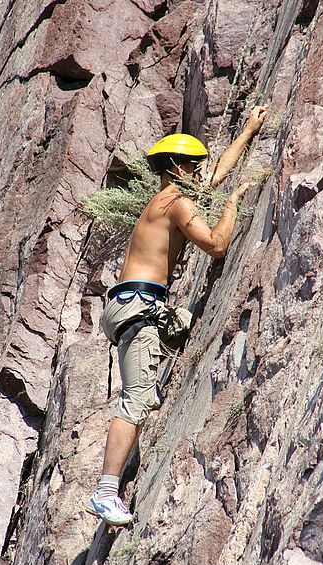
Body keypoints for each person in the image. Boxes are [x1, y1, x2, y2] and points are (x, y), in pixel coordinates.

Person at [86, 106, 268, 525]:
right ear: (176, 168)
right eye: (192, 165)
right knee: (134, 402)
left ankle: (114, 478)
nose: (198, 171)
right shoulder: (178, 205)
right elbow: (218, 245)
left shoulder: (166, 197)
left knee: (181, 327)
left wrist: (248, 131)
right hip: (138, 309)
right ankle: (105, 492)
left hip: (132, 304)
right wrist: (236, 203)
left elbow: (214, 176)